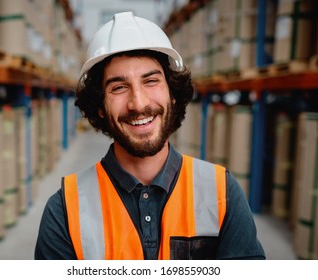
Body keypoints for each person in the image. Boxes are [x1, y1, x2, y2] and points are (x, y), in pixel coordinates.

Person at [34, 11, 266, 260]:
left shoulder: (222, 192)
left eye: (151, 81)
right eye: (119, 87)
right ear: (100, 108)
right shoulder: (65, 209)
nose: (138, 103)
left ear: (173, 95)